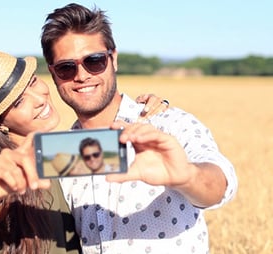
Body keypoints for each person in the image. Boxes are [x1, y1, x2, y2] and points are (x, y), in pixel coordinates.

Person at [40, 3, 238, 253]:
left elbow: (221, 185)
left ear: (113, 59)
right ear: (53, 73)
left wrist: (186, 176)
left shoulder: (166, 123)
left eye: (94, 61)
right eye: (66, 67)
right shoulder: (61, 154)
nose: (81, 75)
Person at [0, 46, 168, 253]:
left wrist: (144, 110)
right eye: (18, 102)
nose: (39, 98)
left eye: (33, 82)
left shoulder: (55, 151)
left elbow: (121, 153)